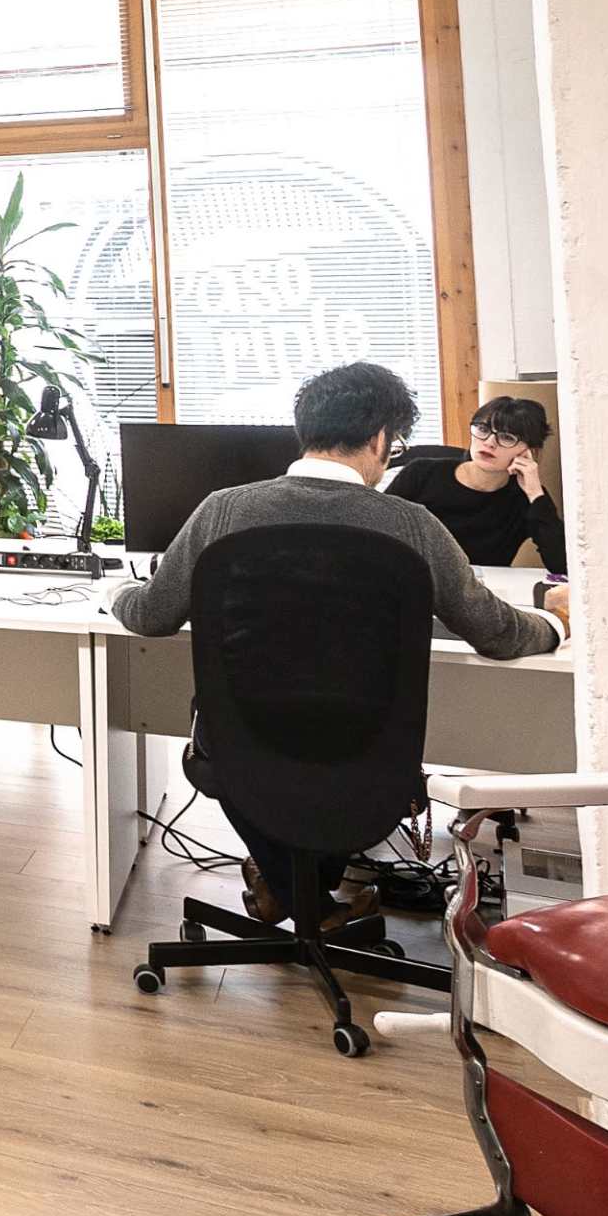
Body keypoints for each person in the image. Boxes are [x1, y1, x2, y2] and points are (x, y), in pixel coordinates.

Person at [113, 362, 565, 938]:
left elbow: (151, 616)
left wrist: (115, 591)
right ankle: (306, 898)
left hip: (239, 748)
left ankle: (288, 886)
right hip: (369, 753)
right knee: (327, 771)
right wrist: (554, 623)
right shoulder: (414, 525)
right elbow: (497, 632)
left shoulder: (222, 510)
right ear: (380, 439)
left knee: (260, 763)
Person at [387, 394, 569, 574]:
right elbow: (377, 528)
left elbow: (561, 564)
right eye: (483, 429)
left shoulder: (524, 497)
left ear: (529, 451)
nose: (489, 442)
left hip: (482, 593)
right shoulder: (422, 474)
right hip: (413, 581)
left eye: (507, 437)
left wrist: (535, 493)